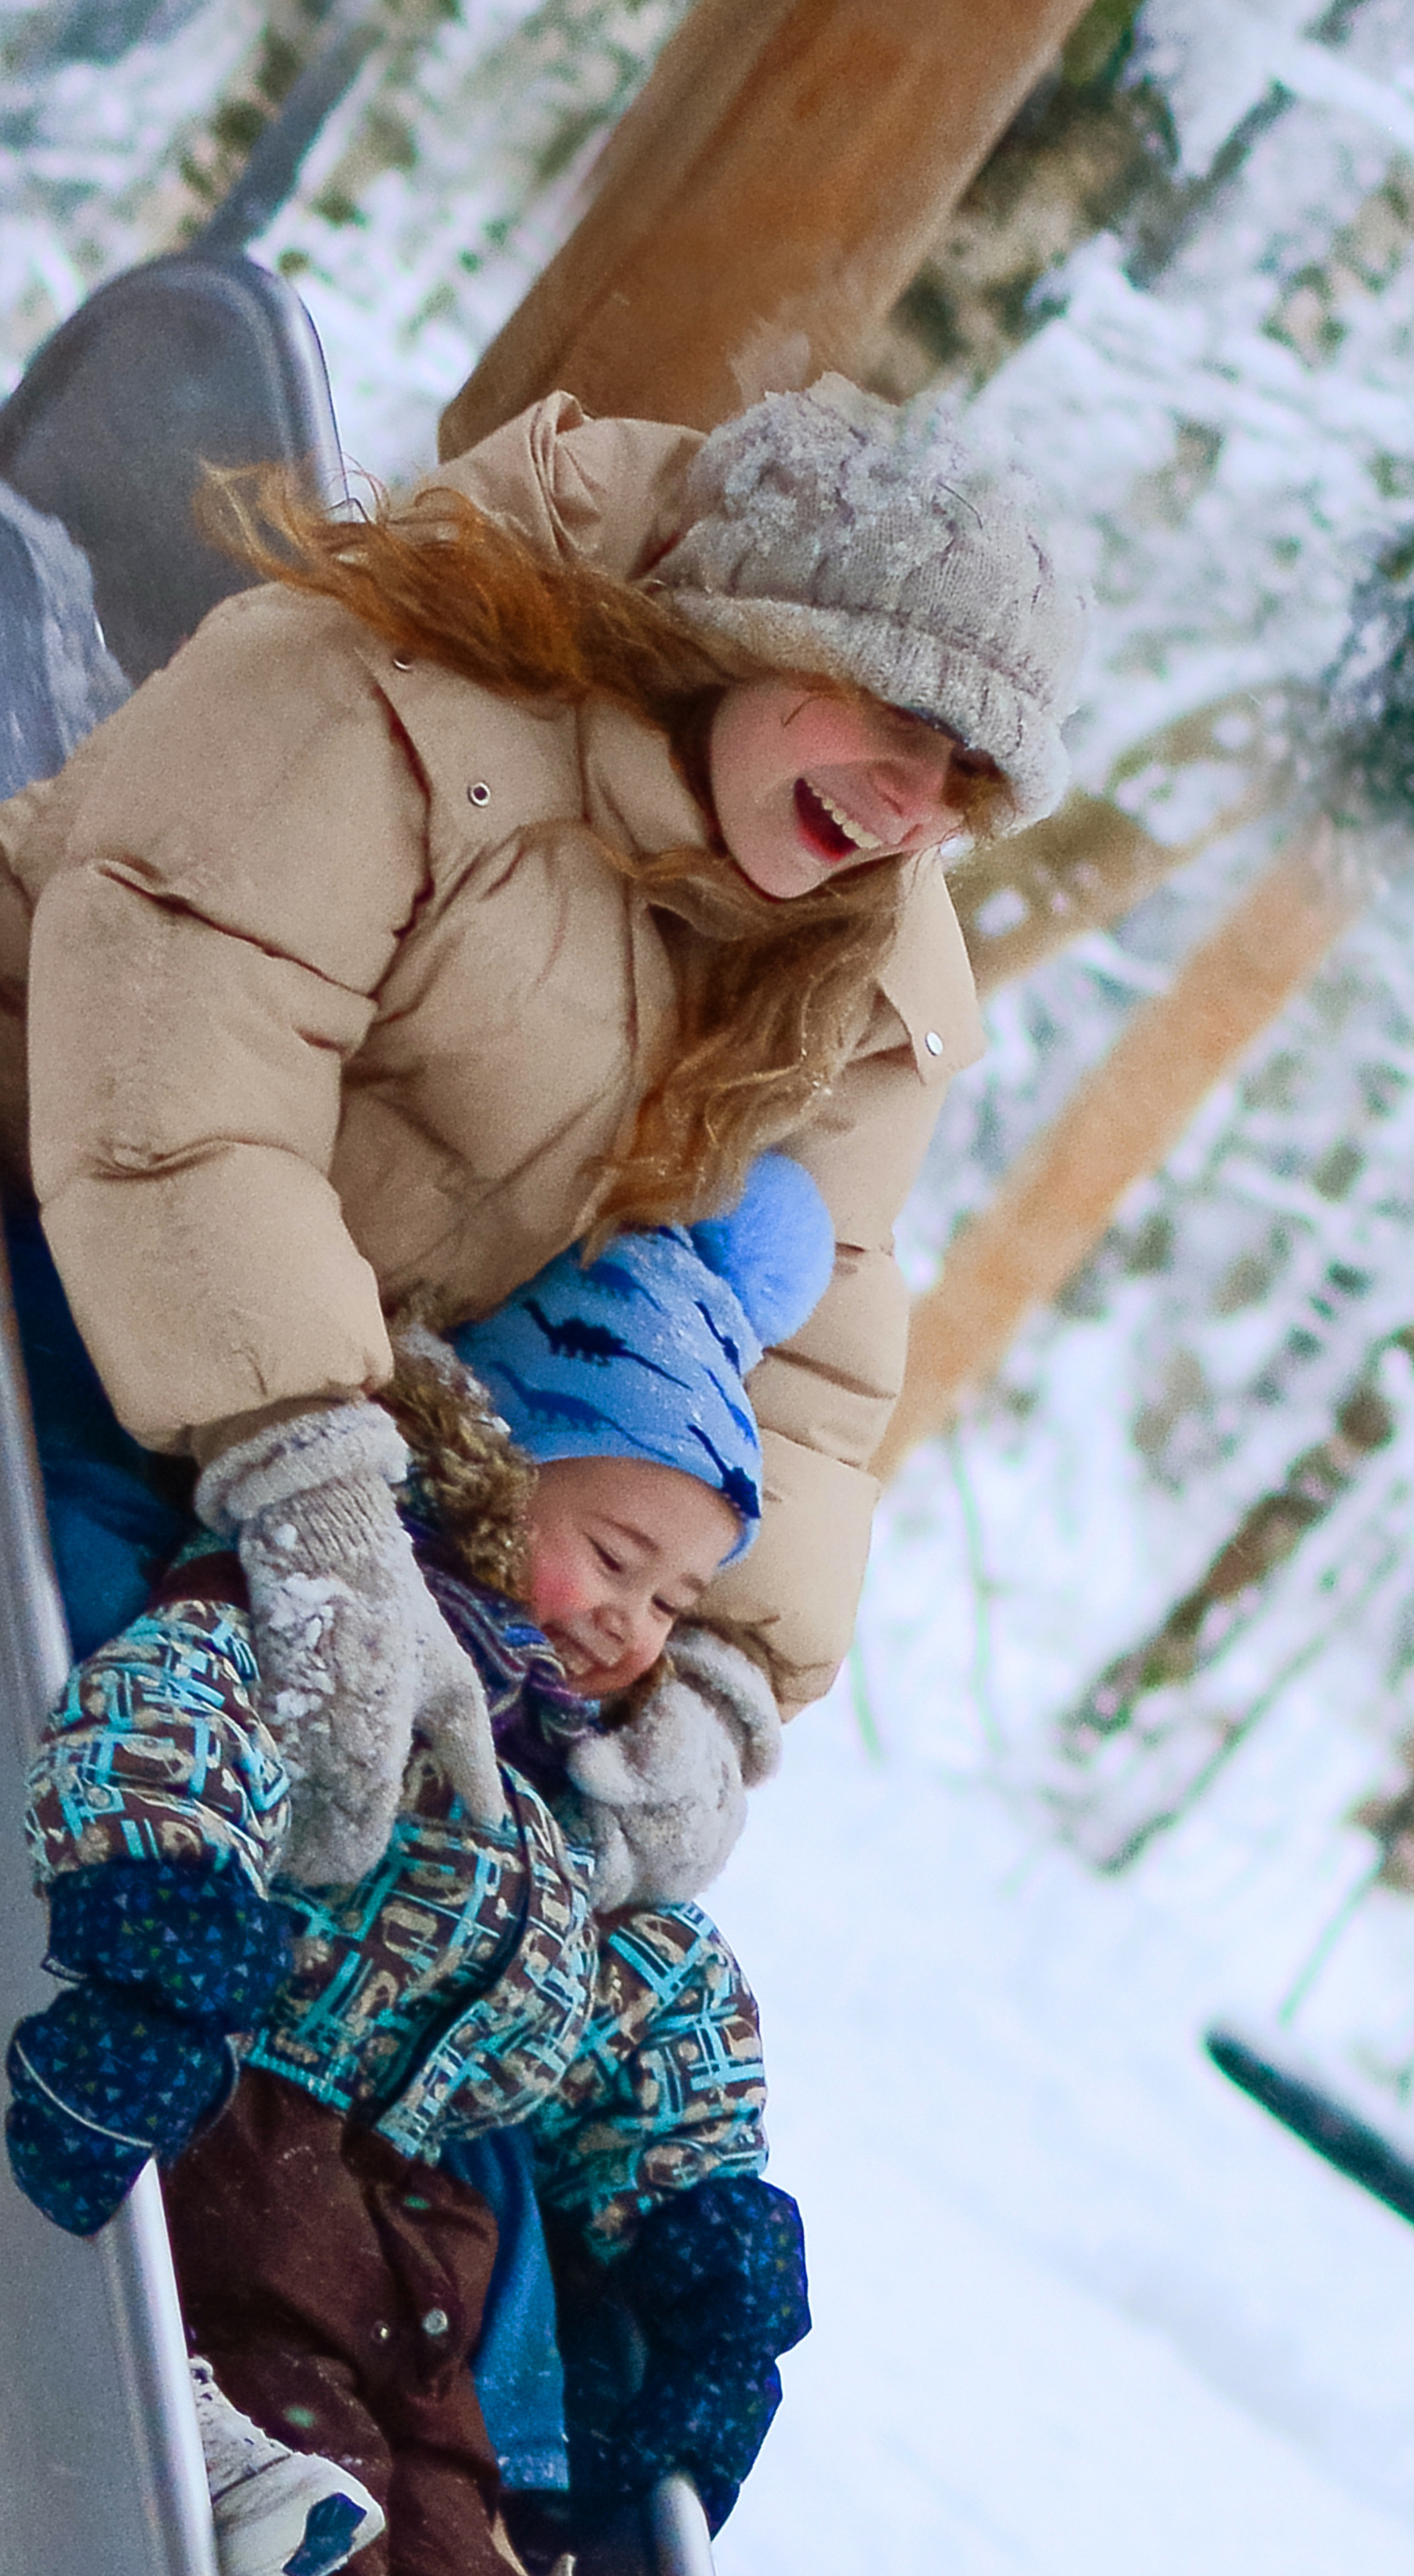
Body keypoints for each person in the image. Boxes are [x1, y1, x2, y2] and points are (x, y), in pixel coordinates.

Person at [0, 372, 1082, 1888]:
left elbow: (810, 1344)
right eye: (899, 717)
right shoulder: (399, 687)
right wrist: (305, 1472)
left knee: (460, 1824)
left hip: (340, 1395)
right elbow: (181, 1051)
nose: (913, 805)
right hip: (51, 1233)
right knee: (136, 1696)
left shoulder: (857, 966)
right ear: (752, 625)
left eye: (967, 777)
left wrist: (719, 1670)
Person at [5, 1156, 831, 2576]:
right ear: (492, 1469)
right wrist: (164, 1936)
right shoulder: (341, 1646)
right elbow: (175, 1706)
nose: (632, 1623)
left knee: (452, 2525)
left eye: (673, 1601)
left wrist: (710, 2247)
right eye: (613, 1556)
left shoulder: (569, 1805)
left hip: (423, 2252)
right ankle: (235, 2472)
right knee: (311, 2432)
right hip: (238, 2137)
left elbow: (659, 1997)